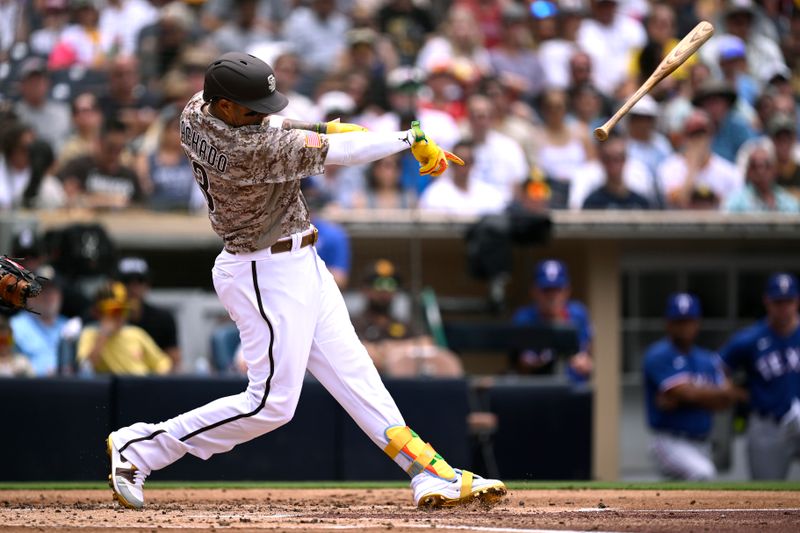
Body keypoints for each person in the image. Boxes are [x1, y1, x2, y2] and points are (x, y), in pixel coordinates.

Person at [105, 51, 505, 511]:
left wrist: (331, 128)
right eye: (253, 105)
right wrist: (406, 138)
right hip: (263, 270)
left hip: (299, 261)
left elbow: (292, 128)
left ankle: (430, 474)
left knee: (357, 376)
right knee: (271, 404)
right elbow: (337, 152)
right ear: (227, 106)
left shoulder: (196, 110)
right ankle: (142, 448)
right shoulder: (247, 152)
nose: (265, 111)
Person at [644, 293, 747, 480]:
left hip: (703, 441)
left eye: (689, 321)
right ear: (668, 323)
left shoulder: (706, 359)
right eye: (679, 321)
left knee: (682, 497)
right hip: (670, 440)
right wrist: (710, 394)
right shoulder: (658, 354)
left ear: (697, 323)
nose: (684, 327)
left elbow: (724, 402)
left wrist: (694, 395)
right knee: (703, 473)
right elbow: (685, 393)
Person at [720, 273, 800, 480]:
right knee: (767, 491)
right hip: (768, 423)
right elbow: (717, 368)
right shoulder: (750, 338)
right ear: (767, 302)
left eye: (788, 301)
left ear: (797, 300)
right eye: (778, 302)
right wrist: (738, 393)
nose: (783, 307)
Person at [351, 259, 462, 378]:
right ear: (365, 289)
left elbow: (426, 343)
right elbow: (356, 354)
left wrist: (391, 349)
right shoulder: (353, 322)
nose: (384, 290)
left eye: (391, 284)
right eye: (378, 284)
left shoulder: (403, 323)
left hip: (403, 384)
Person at [511, 259, 593, 383]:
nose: (552, 296)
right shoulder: (523, 318)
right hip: (538, 391)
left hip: (573, 391)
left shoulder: (578, 314)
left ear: (567, 291)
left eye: (557, 289)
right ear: (534, 291)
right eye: (546, 290)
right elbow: (523, 364)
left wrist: (586, 363)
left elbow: (586, 354)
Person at [77, 281, 172, 376]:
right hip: (113, 388)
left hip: (141, 386)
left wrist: (155, 381)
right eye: (113, 311)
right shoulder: (89, 334)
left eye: (122, 310)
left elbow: (162, 362)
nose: (119, 316)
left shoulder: (136, 333)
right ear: (98, 313)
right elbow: (86, 368)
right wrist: (103, 335)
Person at [115, 257, 181, 371]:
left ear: (147, 285)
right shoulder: (105, 317)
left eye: (139, 281)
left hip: (154, 381)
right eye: (127, 282)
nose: (133, 288)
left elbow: (174, 362)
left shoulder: (163, 319)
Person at [418, 139, 507, 216]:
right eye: (458, 163)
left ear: (473, 163)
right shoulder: (435, 194)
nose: (463, 168)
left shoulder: (488, 194)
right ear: (451, 164)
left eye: (467, 162)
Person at [10, 264, 69, 376]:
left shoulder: (69, 326)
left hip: (67, 389)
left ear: (60, 295)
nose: (48, 296)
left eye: (53, 290)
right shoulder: (15, 327)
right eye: (41, 291)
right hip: (31, 389)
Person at [580, 136, 651, 210]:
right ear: (601, 161)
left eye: (617, 158)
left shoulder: (640, 202)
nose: (612, 164)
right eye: (607, 158)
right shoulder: (592, 202)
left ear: (625, 160)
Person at [724, 144, 800, 213]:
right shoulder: (736, 203)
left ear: (774, 170)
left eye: (766, 165)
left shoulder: (788, 202)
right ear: (748, 172)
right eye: (754, 166)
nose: (760, 171)